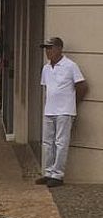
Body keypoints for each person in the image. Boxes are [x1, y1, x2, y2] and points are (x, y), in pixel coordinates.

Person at [36, 36, 87, 188]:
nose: (48, 51)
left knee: (61, 142)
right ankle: (48, 172)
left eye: (50, 48)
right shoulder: (46, 68)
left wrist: (72, 104)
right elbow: (47, 88)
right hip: (49, 109)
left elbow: (82, 86)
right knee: (47, 142)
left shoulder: (70, 66)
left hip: (65, 111)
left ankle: (58, 175)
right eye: (46, 48)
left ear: (59, 48)